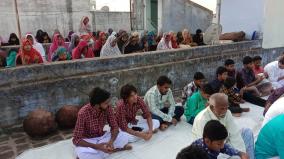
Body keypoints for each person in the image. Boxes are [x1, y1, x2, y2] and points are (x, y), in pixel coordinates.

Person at [73, 87, 131, 159]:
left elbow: (115, 127)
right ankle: (112, 150)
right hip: (89, 140)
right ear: (97, 105)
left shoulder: (108, 108)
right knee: (82, 153)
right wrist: (97, 146)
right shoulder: (83, 113)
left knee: (124, 136)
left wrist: (111, 142)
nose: (108, 104)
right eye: (106, 103)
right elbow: (76, 139)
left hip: (103, 137)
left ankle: (104, 151)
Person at [192, 93, 254, 159]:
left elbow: (235, 134)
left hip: (225, 143)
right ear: (212, 107)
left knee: (247, 132)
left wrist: (241, 153)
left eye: (226, 108)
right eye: (222, 109)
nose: (225, 111)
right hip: (213, 150)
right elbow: (207, 146)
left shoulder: (227, 113)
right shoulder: (202, 119)